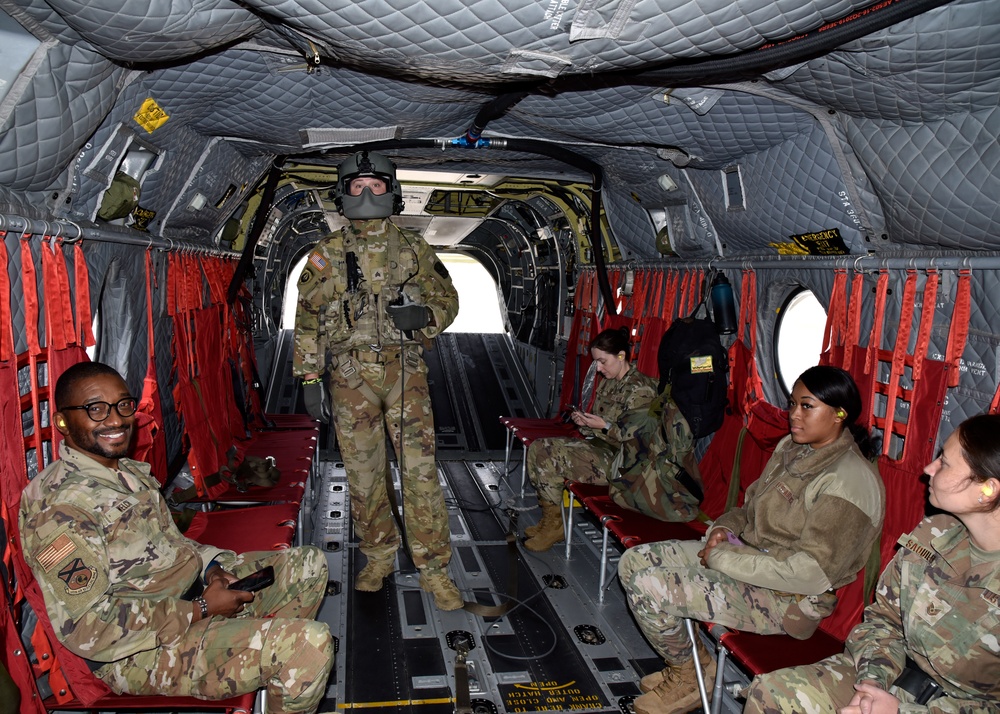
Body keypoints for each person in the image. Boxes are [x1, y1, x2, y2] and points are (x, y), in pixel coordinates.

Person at [19, 362, 334, 713]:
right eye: (96, 409)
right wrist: (199, 610)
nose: (115, 420)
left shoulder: (125, 473)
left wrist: (211, 570)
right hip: (138, 652)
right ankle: (270, 654)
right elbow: (88, 628)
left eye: (123, 405)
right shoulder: (60, 509)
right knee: (309, 647)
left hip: (191, 598)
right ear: (63, 421)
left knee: (309, 565)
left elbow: (173, 546)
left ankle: (254, 656)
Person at [619, 365, 885, 714]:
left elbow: (810, 573)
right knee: (632, 562)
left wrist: (722, 557)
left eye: (807, 406)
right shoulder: (792, 448)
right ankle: (693, 667)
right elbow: (750, 507)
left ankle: (687, 678)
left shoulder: (848, 481)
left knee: (650, 585)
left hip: (789, 598)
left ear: (839, 415)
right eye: (792, 404)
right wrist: (719, 530)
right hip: (745, 555)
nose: (793, 415)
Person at [293, 150, 463, 609]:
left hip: (404, 374)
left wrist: (424, 316)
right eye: (356, 186)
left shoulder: (414, 249)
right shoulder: (325, 255)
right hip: (350, 380)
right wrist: (310, 378)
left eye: (377, 185)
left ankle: (434, 569)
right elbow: (307, 319)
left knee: (421, 474)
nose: (367, 193)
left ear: (393, 192)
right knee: (364, 477)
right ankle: (379, 557)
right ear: (341, 195)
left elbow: (448, 300)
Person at [744, 412, 1000, 714]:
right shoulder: (934, 533)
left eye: (944, 462)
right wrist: (872, 685)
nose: (928, 468)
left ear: (987, 489)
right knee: (771, 695)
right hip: (891, 670)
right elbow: (884, 619)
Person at [523, 326, 658, 551]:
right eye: (596, 362)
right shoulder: (609, 382)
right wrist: (586, 424)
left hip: (623, 463)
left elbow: (638, 439)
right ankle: (551, 519)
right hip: (600, 448)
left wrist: (603, 426)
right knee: (538, 447)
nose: (598, 368)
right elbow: (600, 426)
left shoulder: (641, 390)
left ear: (621, 356)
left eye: (603, 361)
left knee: (549, 456)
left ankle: (554, 526)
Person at [609, 392, 703, 523]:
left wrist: (605, 428)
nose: (600, 369)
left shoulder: (640, 389)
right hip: (660, 450)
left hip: (672, 453)